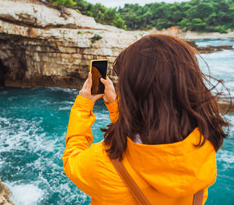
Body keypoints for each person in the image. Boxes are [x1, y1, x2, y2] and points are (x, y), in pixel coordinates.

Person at [63, 34, 230, 204]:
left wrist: (84, 105)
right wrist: (114, 105)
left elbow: (72, 159)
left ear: (132, 93)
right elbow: (150, 139)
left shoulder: (104, 163)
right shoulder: (203, 143)